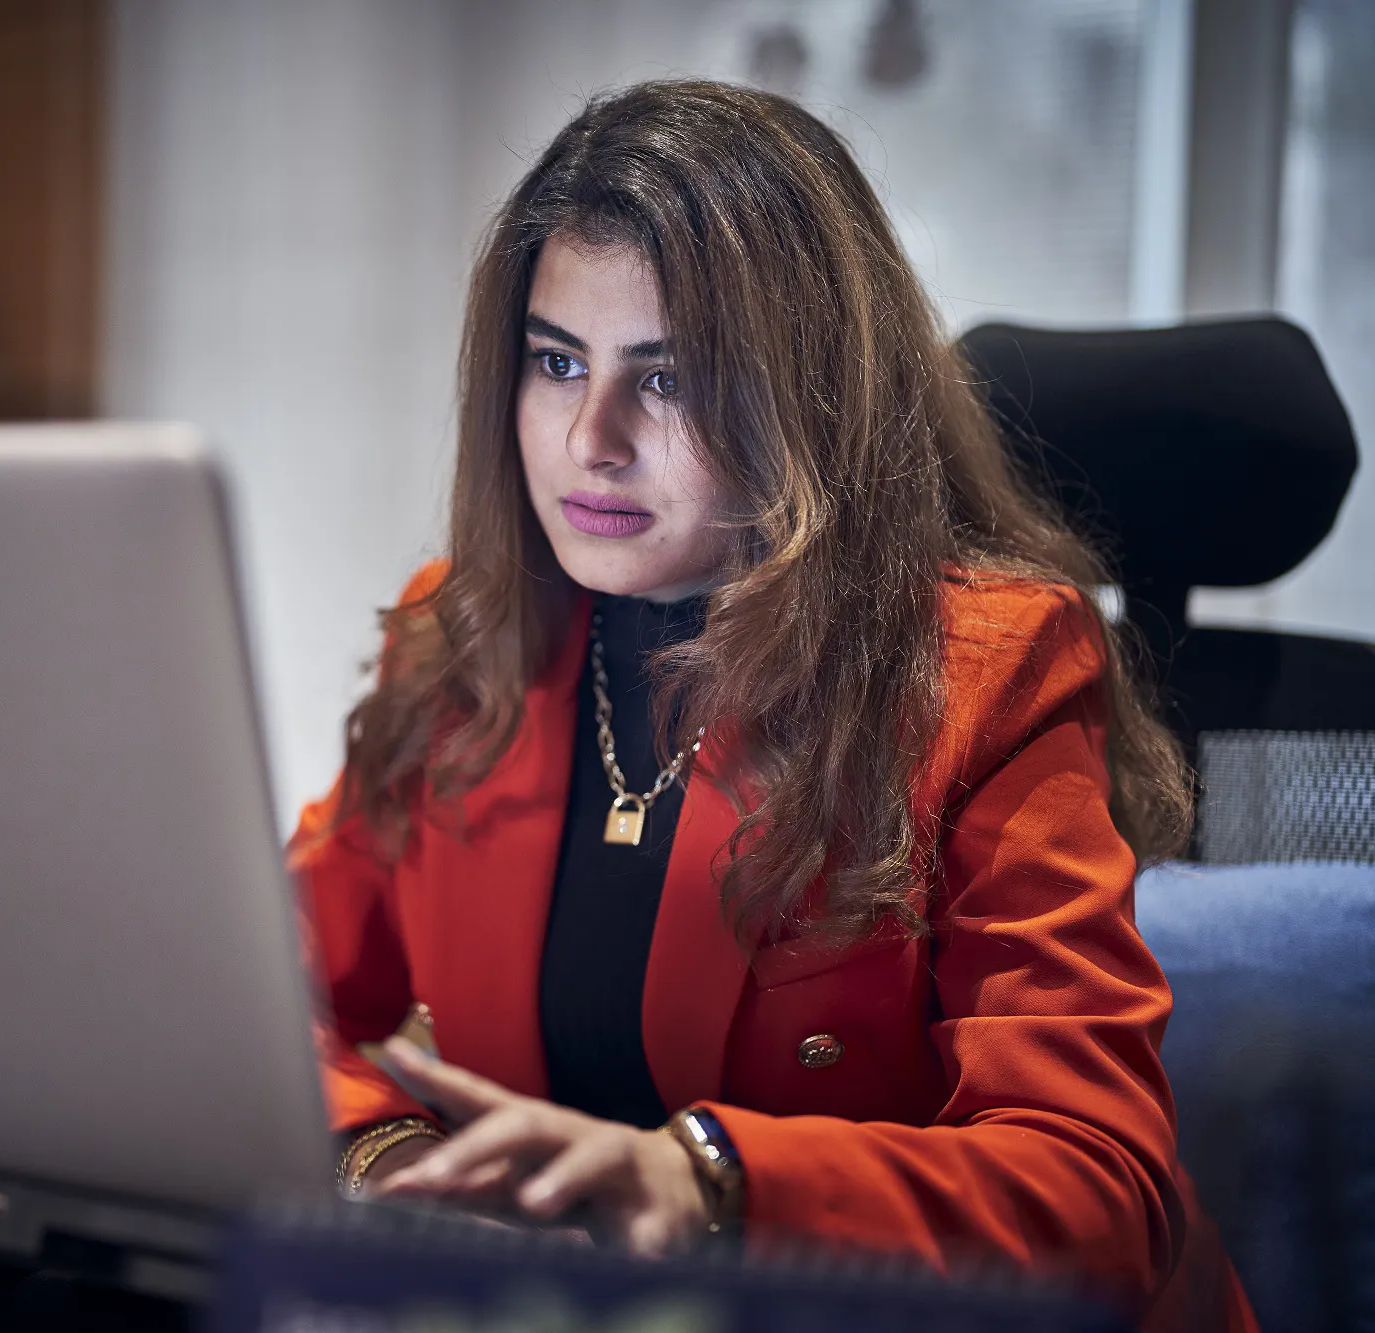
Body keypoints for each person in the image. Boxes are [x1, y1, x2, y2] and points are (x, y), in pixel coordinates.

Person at [289, 80, 1256, 1332]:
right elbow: (284, 994)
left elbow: (1093, 1191)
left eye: (667, 377)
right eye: (554, 360)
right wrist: (387, 1161)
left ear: (804, 395)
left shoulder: (984, 671)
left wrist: (705, 1183)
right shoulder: (463, 639)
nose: (589, 437)